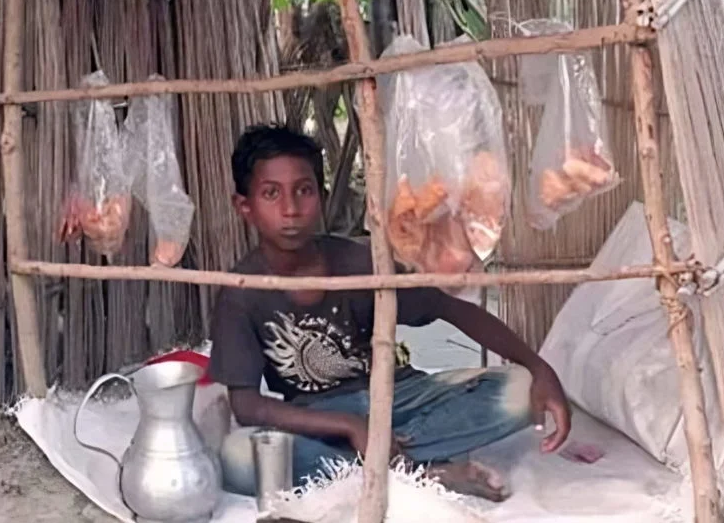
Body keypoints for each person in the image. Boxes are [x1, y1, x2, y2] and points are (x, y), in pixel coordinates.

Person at [208, 125, 570, 502]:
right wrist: (348, 425)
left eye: (304, 190)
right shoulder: (240, 293)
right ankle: (420, 472)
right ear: (244, 206)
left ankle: (370, 467)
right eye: (271, 193)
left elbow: (451, 308)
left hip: (401, 398)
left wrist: (538, 367)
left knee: (520, 390)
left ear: (322, 196)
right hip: (320, 419)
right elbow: (246, 405)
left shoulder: (358, 262)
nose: (291, 209)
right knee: (239, 457)